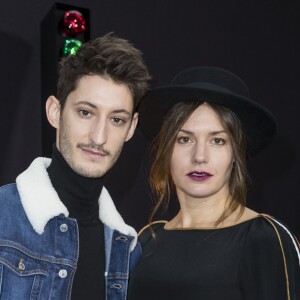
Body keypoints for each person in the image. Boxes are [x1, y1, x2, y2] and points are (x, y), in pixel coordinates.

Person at [128, 66, 300, 299]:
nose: (200, 156)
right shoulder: (147, 238)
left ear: (235, 154)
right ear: (166, 150)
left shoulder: (263, 238)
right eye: (185, 139)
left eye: (217, 140)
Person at [0, 33, 150, 300]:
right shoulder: (3, 218)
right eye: (86, 112)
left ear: (131, 128)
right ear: (55, 111)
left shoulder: (127, 252)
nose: (99, 137)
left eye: (117, 119)